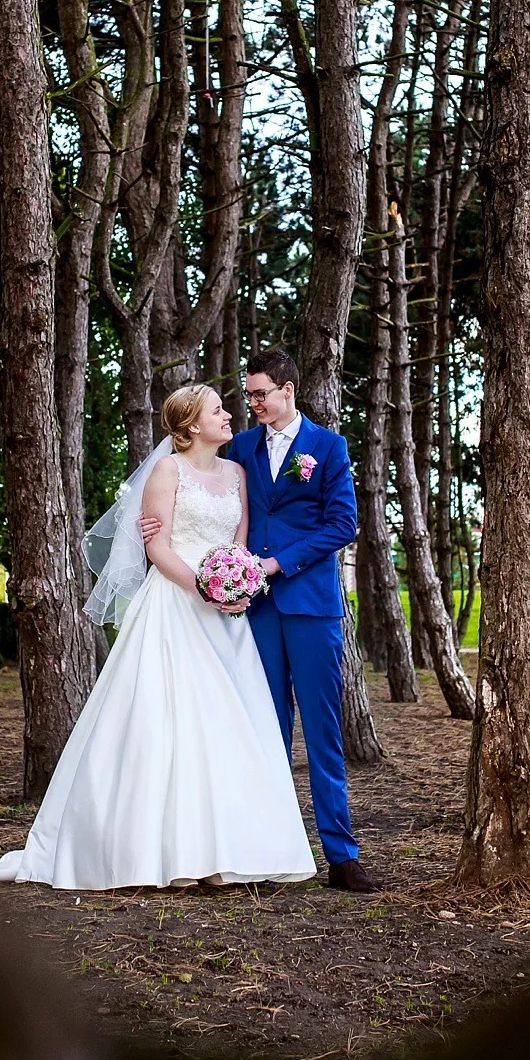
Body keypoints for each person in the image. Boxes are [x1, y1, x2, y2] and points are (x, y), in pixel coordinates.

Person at [0, 384, 316, 890]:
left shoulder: (237, 473)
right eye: (218, 410)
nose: (229, 415)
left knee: (228, 725)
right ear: (193, 426)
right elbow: (157, 549)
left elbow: (239, 542)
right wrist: (204, 588)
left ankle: (228, 853)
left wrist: (238, 581)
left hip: (227, 614)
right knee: (168, 722)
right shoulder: (166, 471)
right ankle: (166, 854)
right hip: (177, 606)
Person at [143, 348, 379, 892]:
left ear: (288, 390)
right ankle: (265, 849)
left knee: (322, 730)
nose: (251, 404)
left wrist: (276, 562)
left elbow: (343, 524)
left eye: (259, 394)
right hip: (252, 609)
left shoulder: (329, 447)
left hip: (311, 603)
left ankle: (341, 854)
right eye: (247, 396)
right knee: (261, 728)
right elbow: (206, 502)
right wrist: (160, 535)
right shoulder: (240, 449)